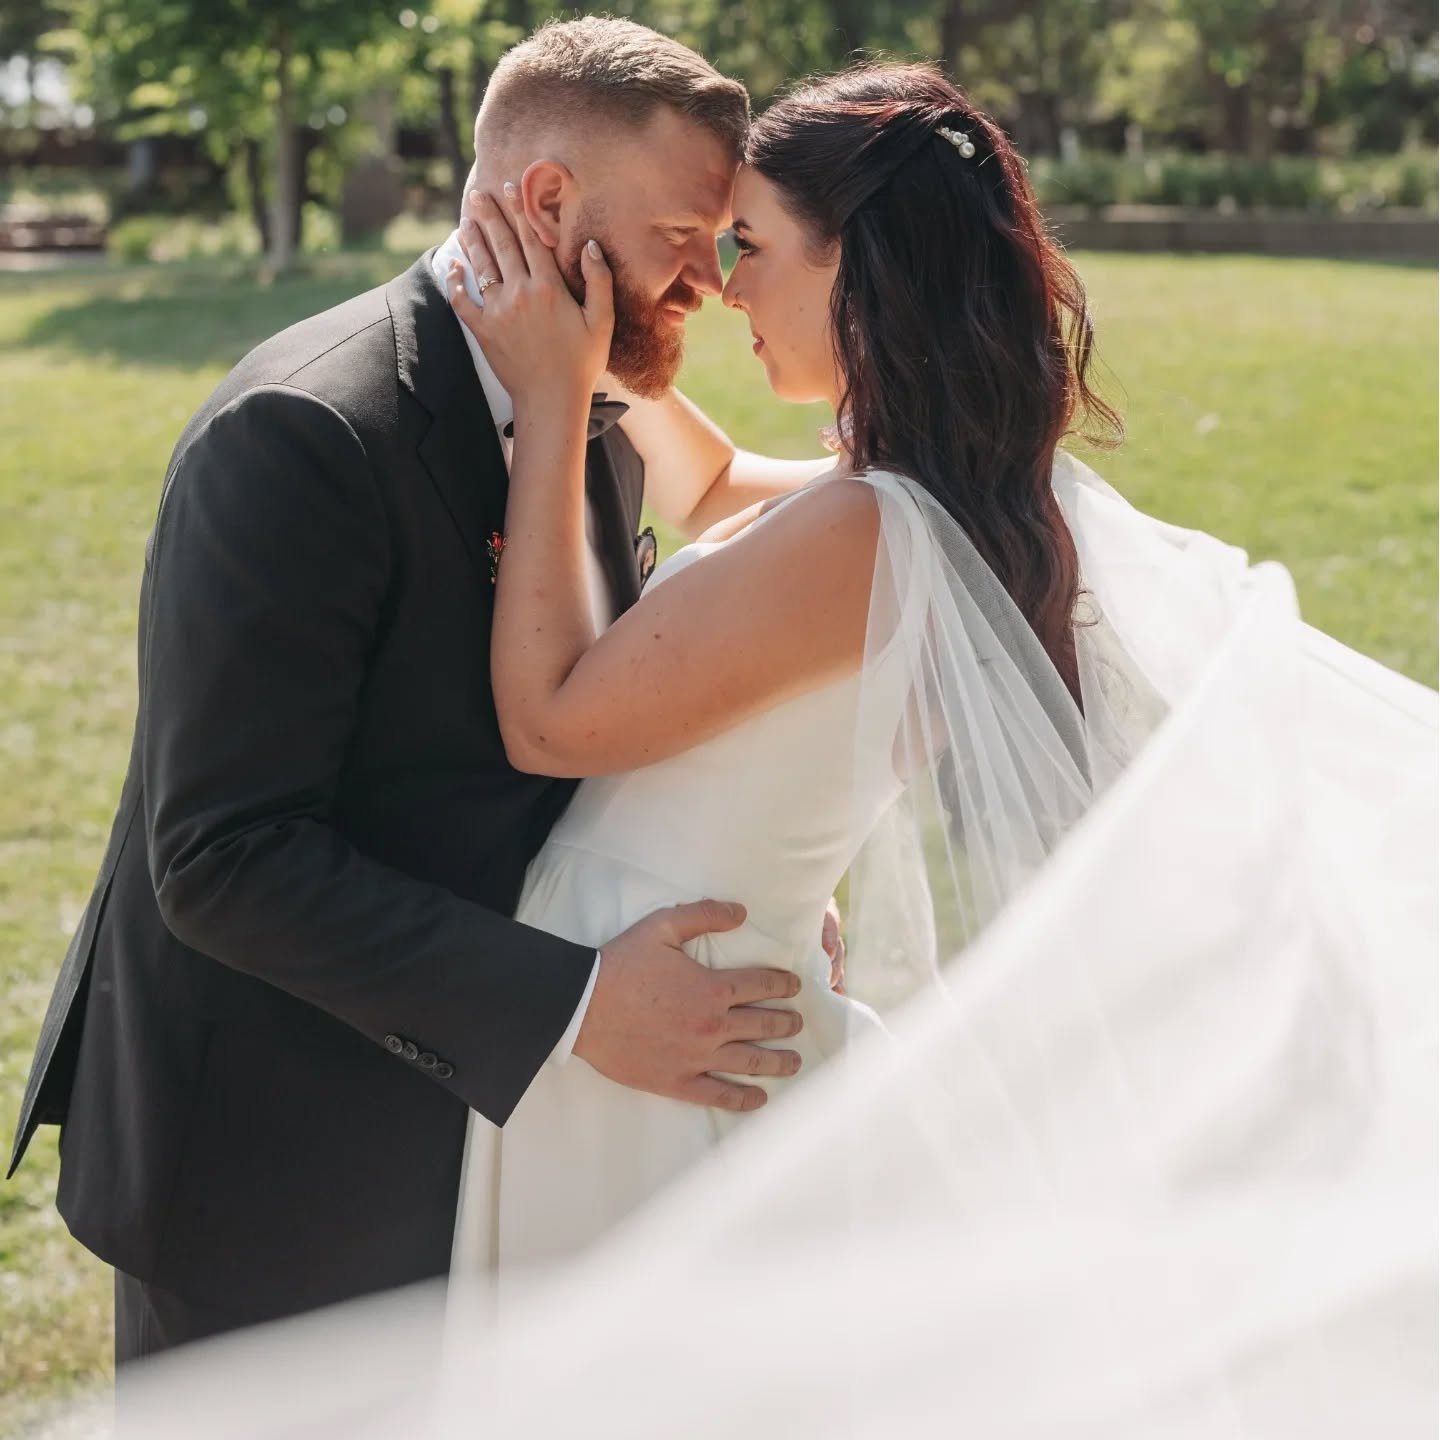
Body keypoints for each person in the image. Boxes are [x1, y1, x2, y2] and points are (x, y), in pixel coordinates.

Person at [7, 17, 848, 1362]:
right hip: (268, 1166)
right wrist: (572, 1006)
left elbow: (576, 717)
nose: (712, 278)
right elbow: (224, 859)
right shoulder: (303, 432)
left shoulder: (592, 403)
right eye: (685, 236)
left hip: (469, 1141)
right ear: (549, 201)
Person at [443, 61, 1171, 1273]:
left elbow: (553, 723)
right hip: (695, 984)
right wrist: (582, 311)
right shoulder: (941, 500)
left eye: (751, 246)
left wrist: (554, 397)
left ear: (858, 270)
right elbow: (721, 492)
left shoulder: (867, 529)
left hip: (663, 1022)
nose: (724, 288)